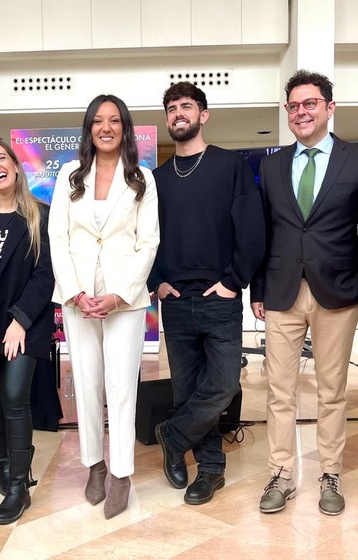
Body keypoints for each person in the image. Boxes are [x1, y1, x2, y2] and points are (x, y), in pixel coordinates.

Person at [250, 70, 358, 516]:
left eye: (310, 104)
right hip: (282, 293)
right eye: (293, 106)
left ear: (330, 108)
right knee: (278, 390)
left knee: (332, 390)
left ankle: (330, 474)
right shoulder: (270, 164)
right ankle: (282, 474)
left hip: (339, 293)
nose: (301, 112)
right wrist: (258, 288)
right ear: (286, 113)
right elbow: (263, 232)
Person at [150, 81, 265, 506]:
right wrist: (155, 283)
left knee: (222, 385)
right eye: (171, 109)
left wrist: (234, 280)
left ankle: (173, 435)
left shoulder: (229, 166)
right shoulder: (156, 178)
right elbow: (145, 238)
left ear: (203, 115)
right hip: (175, 301)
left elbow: (251, 229)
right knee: (186, 390)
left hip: (220, 297)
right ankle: (210, 470)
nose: (178, 114)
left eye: (186, 106)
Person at [49, 94, 159, 519]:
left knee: (120, 387)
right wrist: (75, 292)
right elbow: (58, 237)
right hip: (79, 300)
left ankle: (121, 473)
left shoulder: (142, 179)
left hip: (124, 301)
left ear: (125, 128)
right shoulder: (68, 175)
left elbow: (148, 242)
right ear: (89, 129)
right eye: (98, 121)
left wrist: (119, 293)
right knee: (88, 384)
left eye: (114, 121)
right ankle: (94, 464)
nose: (106, 127)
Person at [0, 137, 55, 524]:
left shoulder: (41, 215)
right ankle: (4, 464)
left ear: (16, 166)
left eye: (1, 157)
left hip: (23, 319)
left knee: (14, 395)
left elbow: (46, 274)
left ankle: (19, 486)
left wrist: (19, 320)